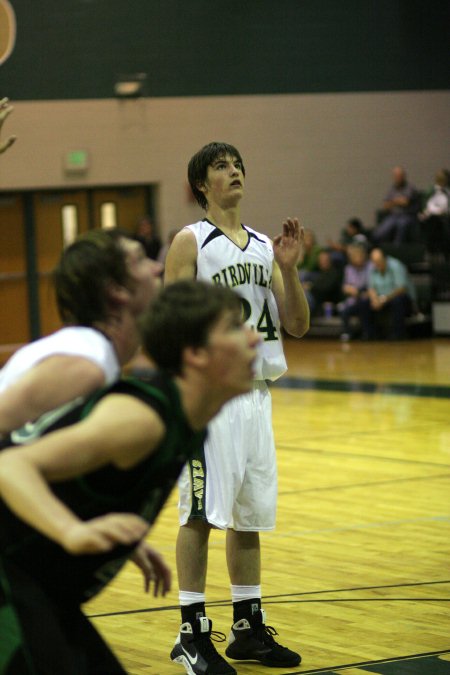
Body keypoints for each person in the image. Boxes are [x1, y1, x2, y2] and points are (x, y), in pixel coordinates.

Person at [0, 280, 260, 675]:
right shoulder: (141, 419)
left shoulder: (187, 421)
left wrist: (107, 531)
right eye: (232, 328)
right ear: (195, 353)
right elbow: (10, 465)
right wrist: (71, 530)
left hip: (39, 585)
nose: (254, 337)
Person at [164, 141, 309, 674]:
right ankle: (191, 632)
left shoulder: (266, 248)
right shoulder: (190, 242)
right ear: (201, 184)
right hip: (213, 398)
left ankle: (246, 628)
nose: (235, 172)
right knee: (201, 513)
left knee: (248, 517)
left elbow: (297, 325)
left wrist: (291, 272)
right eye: (222, 166)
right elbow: (169, 324)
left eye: (239, 165)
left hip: (257, 397)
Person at [0, 228, 164, 587]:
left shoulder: (97, 356)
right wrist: (68, 528)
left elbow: (40, 454)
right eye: (140, 260)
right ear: (116, 290)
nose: (156, 268)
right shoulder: (85, 363)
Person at [363, 247, 417, 340]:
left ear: (385, 258)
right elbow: (371, 288)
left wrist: (384, 299)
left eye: (378, 261)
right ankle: (370, 334)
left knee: (398, 301)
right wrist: (375, 299)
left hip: (399, 298)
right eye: (374, 261)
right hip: (381, 299)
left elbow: (401, 288)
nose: (376, 263)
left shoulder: (396, 265)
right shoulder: (372, 267)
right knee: (363, 302)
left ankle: (398, 334)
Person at [371, 166, 420, 245]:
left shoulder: (410, 188)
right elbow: (385, 205)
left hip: (407, 216)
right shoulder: (392, 189)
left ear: (404, 176)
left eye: (399, 176)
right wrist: (397, 201)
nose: (397, 178)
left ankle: (396, 249)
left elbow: (405, 202)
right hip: (393, 216)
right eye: (395, 176)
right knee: (379, 233)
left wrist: (393, 202)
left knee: (401, 225)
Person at [337, 243, 372, 341]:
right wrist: (349, 289)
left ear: (363, 256)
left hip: (367, 297)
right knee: (343, 310)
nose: (356, 258)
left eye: (358, 255)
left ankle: (367, 333)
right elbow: (345, 286)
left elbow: (371, 285)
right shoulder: (348, 269)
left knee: (363, 304)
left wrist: (360, 292)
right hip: (353, 298)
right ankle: (348, 333)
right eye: (353, 256)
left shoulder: (370, 266)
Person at [418, 168, 450, 260]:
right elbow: (425, 208)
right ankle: (432, 253)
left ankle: (443, 255)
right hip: (431, 218)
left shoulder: (448, 192)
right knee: (433, 221)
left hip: (446, 217)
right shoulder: (430, 191)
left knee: (443, 223)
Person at [301, 248, 343, 317]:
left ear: (330, 260)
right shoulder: (319, 272)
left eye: (325, 260)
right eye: (321, 260)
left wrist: (311, 287)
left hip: (326, 302)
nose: (322, 262)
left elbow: (326, 289)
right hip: (316, 299)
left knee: (305, 296)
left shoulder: (334, 273)